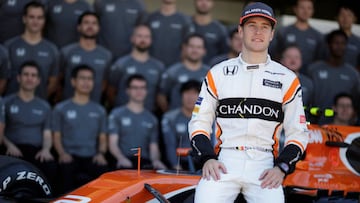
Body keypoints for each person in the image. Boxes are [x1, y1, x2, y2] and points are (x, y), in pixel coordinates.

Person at [188, 2, 309, 202]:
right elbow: (198, 122)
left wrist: (282, 168)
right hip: (224, 161)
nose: (258, 32)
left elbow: (298, 132)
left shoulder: (287, 79)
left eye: (265, 27)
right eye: (252, 25)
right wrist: (207, 158)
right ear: (240, 30)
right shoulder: (218, 73)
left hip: (265, 165)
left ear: (272, 34)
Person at [52, 65, 108, 193]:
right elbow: (56, 136)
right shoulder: (61, 108)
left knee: (104, 174)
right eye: (82, 78)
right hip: (69, 156)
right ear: (73, 81)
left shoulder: (100, 110)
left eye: (89, 79)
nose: (86, 82)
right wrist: (62, 153)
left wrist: (101, 153)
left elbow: (103, 137)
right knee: (63, 174)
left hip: (92, 157)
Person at [2, 61, 57, 187]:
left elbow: (47, 133)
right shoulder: (6, 102)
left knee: (51, 166)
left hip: (36, 151)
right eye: (26, 74)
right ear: (18, 78)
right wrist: (9, 145)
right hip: (11, 150)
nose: (29, 78)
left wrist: (46, 149)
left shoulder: (45, 106)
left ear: (38, 81)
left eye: (33, 75)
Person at [108, 74, 167, 170]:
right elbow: (112, 144)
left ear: (146, 91)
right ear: (128, 90)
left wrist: (155, 160)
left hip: (144, 163)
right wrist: (121, 158)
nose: (139, 91)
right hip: (123, 162)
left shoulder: (152, 119)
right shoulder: (116, 114)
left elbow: (154, 147)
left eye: (142, 88)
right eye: (135, 88)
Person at [4, 1, 59, 100]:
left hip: (39, 108)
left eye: (39, 18)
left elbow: (53, 82)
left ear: (44, 21)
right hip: (10, 106)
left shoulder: (52, 50)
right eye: (31, 17)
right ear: (24, 19)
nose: (35, 21)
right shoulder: (9, 47)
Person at [106, 24, 165, 112]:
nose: (143, 40)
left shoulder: (159, 67)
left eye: (146, 37)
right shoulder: (121, 64)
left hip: (149, 117)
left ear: (151, 40)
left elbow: (159, 95)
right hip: (123, 117)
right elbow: (111, 91)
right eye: (139, 36)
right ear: (132, 38)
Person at [307, 30, 360, 124]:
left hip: (343, 129)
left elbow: (356, 104)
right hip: (316, 126)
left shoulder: (353, 74)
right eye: (336, 43)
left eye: (343, 43)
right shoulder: (314, 70)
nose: (340, 46)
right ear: (328, 45)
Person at [59, 11, 112, 104]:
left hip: (94, 106)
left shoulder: (106, 55)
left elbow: (105, 83)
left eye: (94, 23)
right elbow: (59, 79)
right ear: (79, 27)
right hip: (68, 106)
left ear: (99, 28)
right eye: (86, 23)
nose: (90, 26)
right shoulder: (66, 52)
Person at [157, 33, 209, 113]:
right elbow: (161, 96)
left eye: (198, 47)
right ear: (185, 48)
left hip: (201, 121)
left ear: (204, 51)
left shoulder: (210, 73)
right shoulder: (172, 72)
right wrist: (172, 115)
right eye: (191, 46)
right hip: (176, 121)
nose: (195, 50)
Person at [270, 0, 325, 73]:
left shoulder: (318, 36)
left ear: (313, 11)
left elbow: (320, 61)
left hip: (308, 78)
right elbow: (274, 55)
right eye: (302, 7)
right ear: (295, 9)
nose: (305, 11)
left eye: (309, 8)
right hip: (285, 75)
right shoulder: (283, 32)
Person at [161, 80, 200, 170]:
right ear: (181, 95)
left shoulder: (208, 117)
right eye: (187, 93)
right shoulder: (170, 118)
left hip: (204, 163)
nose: (190, 97)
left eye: (194, 93)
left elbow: (213, 142)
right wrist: (176, 166)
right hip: (180, 164)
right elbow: (170, 144)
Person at [146, 0, 193, 67]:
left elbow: (188, 46)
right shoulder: (151, 18)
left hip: (175, 67)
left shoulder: (185, 20)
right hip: (152, 66)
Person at [191, 0, 229, 64]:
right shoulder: (184, 24)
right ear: (195, 1)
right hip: (183, 72)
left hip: (212, 71)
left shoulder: (221, 29)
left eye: (208, 0)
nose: (204, 3)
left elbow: (225, 55)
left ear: (213, 2)